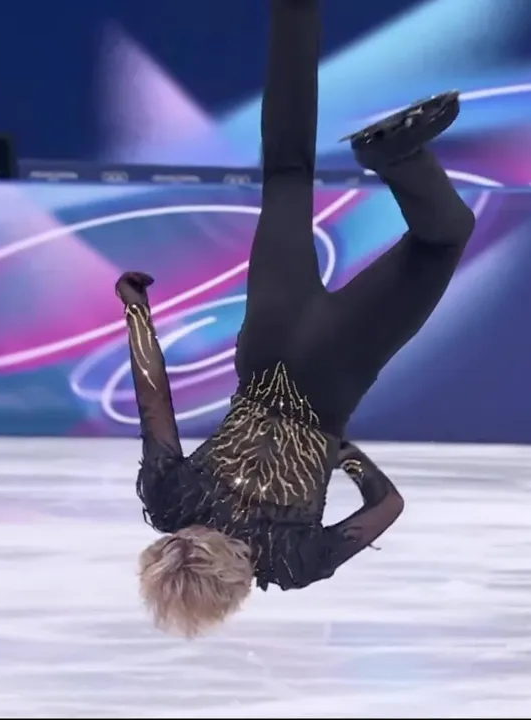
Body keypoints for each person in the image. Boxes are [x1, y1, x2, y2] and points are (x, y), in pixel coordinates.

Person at [117, 0, 476, 639]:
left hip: (332, 377)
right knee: (286, 173)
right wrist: (136, 311)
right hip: (267, 349)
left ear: (228, 592)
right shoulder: (171, 500)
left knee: (443, 239)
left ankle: (398, 159)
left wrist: (345, 455)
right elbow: (153, 402)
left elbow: (387, 504)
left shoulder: (291, 562)